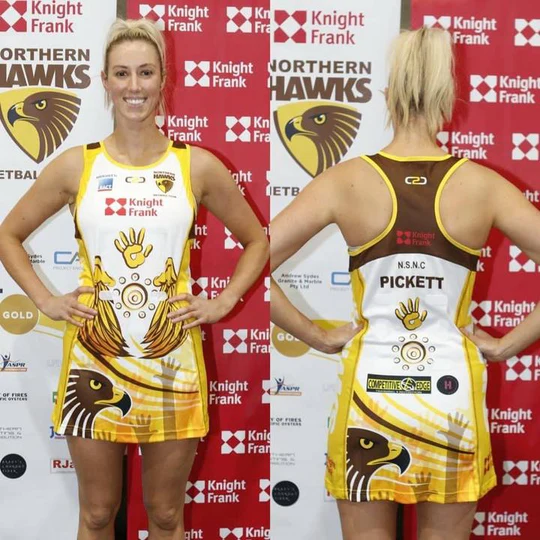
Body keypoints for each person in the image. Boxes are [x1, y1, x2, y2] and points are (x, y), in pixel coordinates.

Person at [0, 18, 268, 540]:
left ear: (163, 78)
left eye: (145, 72)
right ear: (104, 80)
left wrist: (223, 302)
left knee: (165, 515)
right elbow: (9, 235)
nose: (134, 86)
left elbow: (257, 240)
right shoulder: (77, 166)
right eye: (121, 73)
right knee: (98, 514)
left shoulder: (196, 166)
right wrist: (46, 300)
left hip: (171, 361)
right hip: (93, 359)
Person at [270, 27, 540, 540]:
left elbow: (252, 265)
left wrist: (316, 336)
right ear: (448, 96)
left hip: (369, 396)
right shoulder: (482, 185)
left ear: (387, 94)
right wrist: (505, 345)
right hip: (449, 398)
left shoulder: (345, 180)